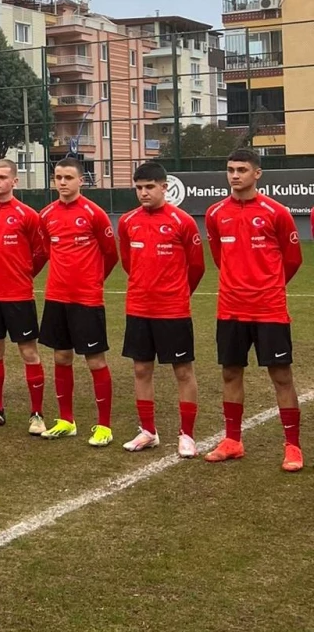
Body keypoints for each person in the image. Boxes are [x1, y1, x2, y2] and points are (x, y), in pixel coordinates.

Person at [205, 148, 303, 472]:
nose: (235, 175)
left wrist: (268, 286)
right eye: (230, 169)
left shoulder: (277, 212)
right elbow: (219, 258)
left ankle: (292, 446)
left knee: (281, 375)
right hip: (230, 308)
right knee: (230, 372)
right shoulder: (215, 213)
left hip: (269, 309)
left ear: (257, 173)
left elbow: (293, 259)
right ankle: (232, 441)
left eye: (242, 170)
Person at [117, 163, 205, 456]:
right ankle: (148, 431)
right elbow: (128, 263)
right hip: (138, 308)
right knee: (141, 369)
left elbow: (196, 267)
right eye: (139, 188)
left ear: (164, 187)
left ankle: (187, 435)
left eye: (150, 187)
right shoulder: (128, 221)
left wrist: (178, 294)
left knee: (183, 371)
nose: (143, 192)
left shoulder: (183, 221)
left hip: (173, 311)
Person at [38, 158, 120, 446]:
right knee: (61, 357)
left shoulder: (94, 214)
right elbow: (48, 250)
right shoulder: (46, 214)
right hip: (56, 297)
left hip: (86, 299)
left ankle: (104, 426)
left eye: (68, 177)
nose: (62, 182)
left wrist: (93, 281)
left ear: (81, 181)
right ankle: (66, 420)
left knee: (95, 360)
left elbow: (111, 254)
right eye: (58, 177)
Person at [0, 159, 49, 432]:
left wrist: (23, 274)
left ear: (14, 181)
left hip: (19, 295)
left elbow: (41, 252)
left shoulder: (28, 215)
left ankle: (37, 415)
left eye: (2, 177)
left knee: (29, 352)